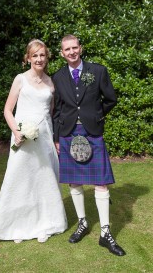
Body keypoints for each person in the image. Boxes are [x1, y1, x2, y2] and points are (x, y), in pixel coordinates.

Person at [0, 39, 67, 243]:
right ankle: (15, 224)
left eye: (42, 55)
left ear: (47, 57)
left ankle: (44, 223)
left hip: (43, 137)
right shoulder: (20, 79)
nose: (39, 59)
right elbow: (8, 110)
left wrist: (53, 138)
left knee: (43, 178)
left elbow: (50, 113)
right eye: (34, 55)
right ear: (27, 58)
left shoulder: (51, 83)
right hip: (22, 138)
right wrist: (17, 132)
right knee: (19, 179)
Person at [52, 34, 126, 256]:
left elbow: (110, 99)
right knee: (74, 183)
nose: (72, 52)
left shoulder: (97, 71)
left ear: (80, 48)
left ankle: (105, 233)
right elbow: (57, 110)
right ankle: (82, 223)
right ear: (62, 53)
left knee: (101, 183)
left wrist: (96, 116)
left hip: (92, 132)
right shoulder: (57, 77)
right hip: (67, 133)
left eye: (75, 48)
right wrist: (56, 137)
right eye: (67, 49)